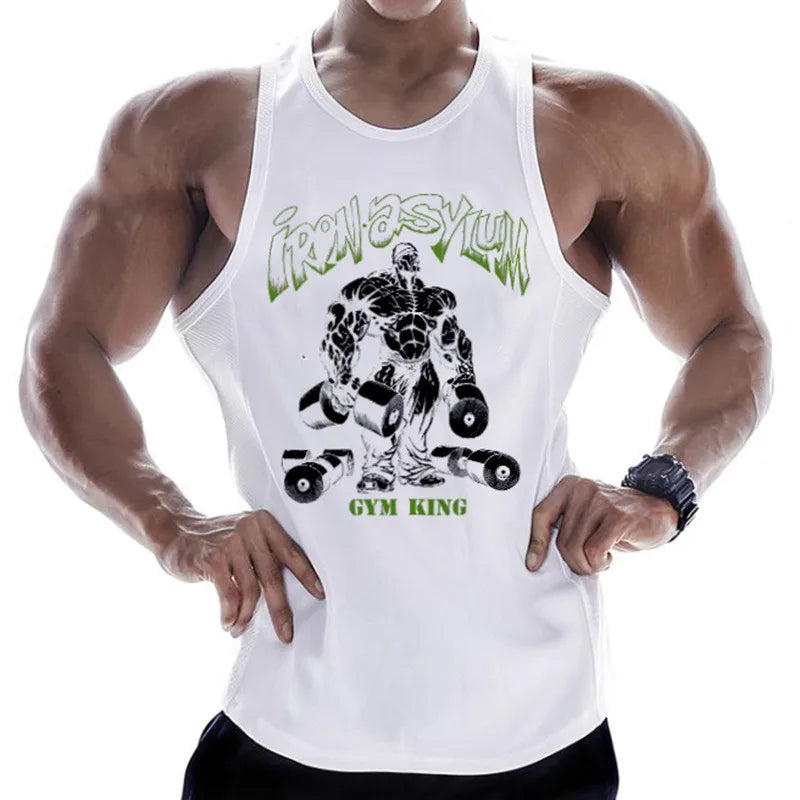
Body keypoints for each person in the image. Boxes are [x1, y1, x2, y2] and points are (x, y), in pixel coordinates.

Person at [18, 0, 772, 797]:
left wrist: (662, 486)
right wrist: (170, 523)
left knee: (423, 390)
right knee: (377, 397)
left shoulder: (601, 129)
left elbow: (728, 332)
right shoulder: (195, 135)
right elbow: (63, 348)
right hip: (286, 734)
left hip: (539, 737)